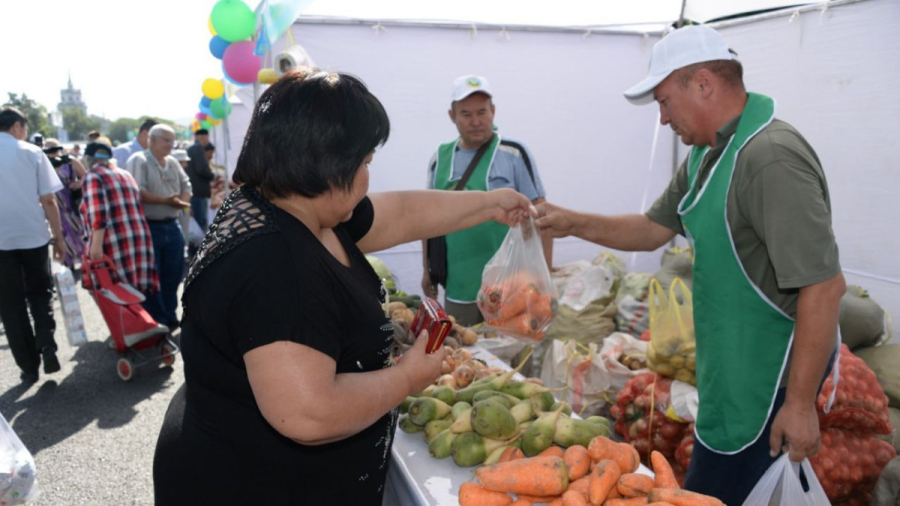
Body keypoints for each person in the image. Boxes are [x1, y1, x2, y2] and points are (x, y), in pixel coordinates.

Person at [152, 68, 535, 505]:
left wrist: (490, 204)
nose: (368, 176)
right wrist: (407, 376)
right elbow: (309, 413)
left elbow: (404, 213)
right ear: (327, 162)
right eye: (366, 162)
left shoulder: (291, 204)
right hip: (249, 484)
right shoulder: (274, 261)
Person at [536, 25, 844, 504]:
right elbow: (653, 228)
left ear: (703, 83)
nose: (662, 120)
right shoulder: (705, 154)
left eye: (663, 102)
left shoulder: (769, 158)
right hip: (726, 371)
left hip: (771, 383)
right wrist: (570, 221)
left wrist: (800, 405)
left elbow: (824, 288)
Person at [421, 74, 551, 326]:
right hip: (459, 284)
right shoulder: (440, 158)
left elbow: (543, 216)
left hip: (511, 284)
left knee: (512, 354)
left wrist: (543, 276)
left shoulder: (513, 153)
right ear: (452, 116)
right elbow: (427, 219)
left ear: (493, 110)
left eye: (482, 112)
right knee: (465, 353)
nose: (476, 121)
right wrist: (427, 270)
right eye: (466, 114)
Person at [0, 106, 65, 382]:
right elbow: (49, 200)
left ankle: (28, 365)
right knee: (40, 292)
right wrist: (59, 238)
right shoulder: (31, 152)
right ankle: (47, 345)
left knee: (11, 303)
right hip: (34, 235)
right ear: (17, 126)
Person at [130, 124, 191, 331]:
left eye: (172, 140)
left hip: (172, 224)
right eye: (166, 140)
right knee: (152, 276)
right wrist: (168, 201)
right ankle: (155, 320)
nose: (171, 144)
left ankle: (169, 314)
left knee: (173, 274)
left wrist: (179, 202)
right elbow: (139, 192)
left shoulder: (173, 162)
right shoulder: (139, 160)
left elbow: (187, 186)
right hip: (149, 227)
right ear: (153, 140)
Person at [80, 140, 159, 297]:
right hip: (138, 238)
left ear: (87, 159)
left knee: (117, 295)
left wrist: (95, 248)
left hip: (114, 241)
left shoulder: (93, 176)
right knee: (136, 292)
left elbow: (98, 214)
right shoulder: (124, 174)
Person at [42, 139, 86, 269]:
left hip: (73, 204)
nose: (52, 154)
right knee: (62, 233)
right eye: (48, 151)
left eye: (54, 150)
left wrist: (78, 184)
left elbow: (86, 176)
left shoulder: (70, 161)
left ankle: (85, 262)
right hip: (56, 206)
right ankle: (68, 263)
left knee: (80, 232)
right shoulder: (44, 165)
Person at [185, 129, 215, 235]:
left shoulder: (191, 149)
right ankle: (200, 249)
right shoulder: (198, 148)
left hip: (195, 190)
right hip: (198, 191)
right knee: (200, 221)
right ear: (203, 137)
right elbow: (201, 169)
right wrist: (213, 176)